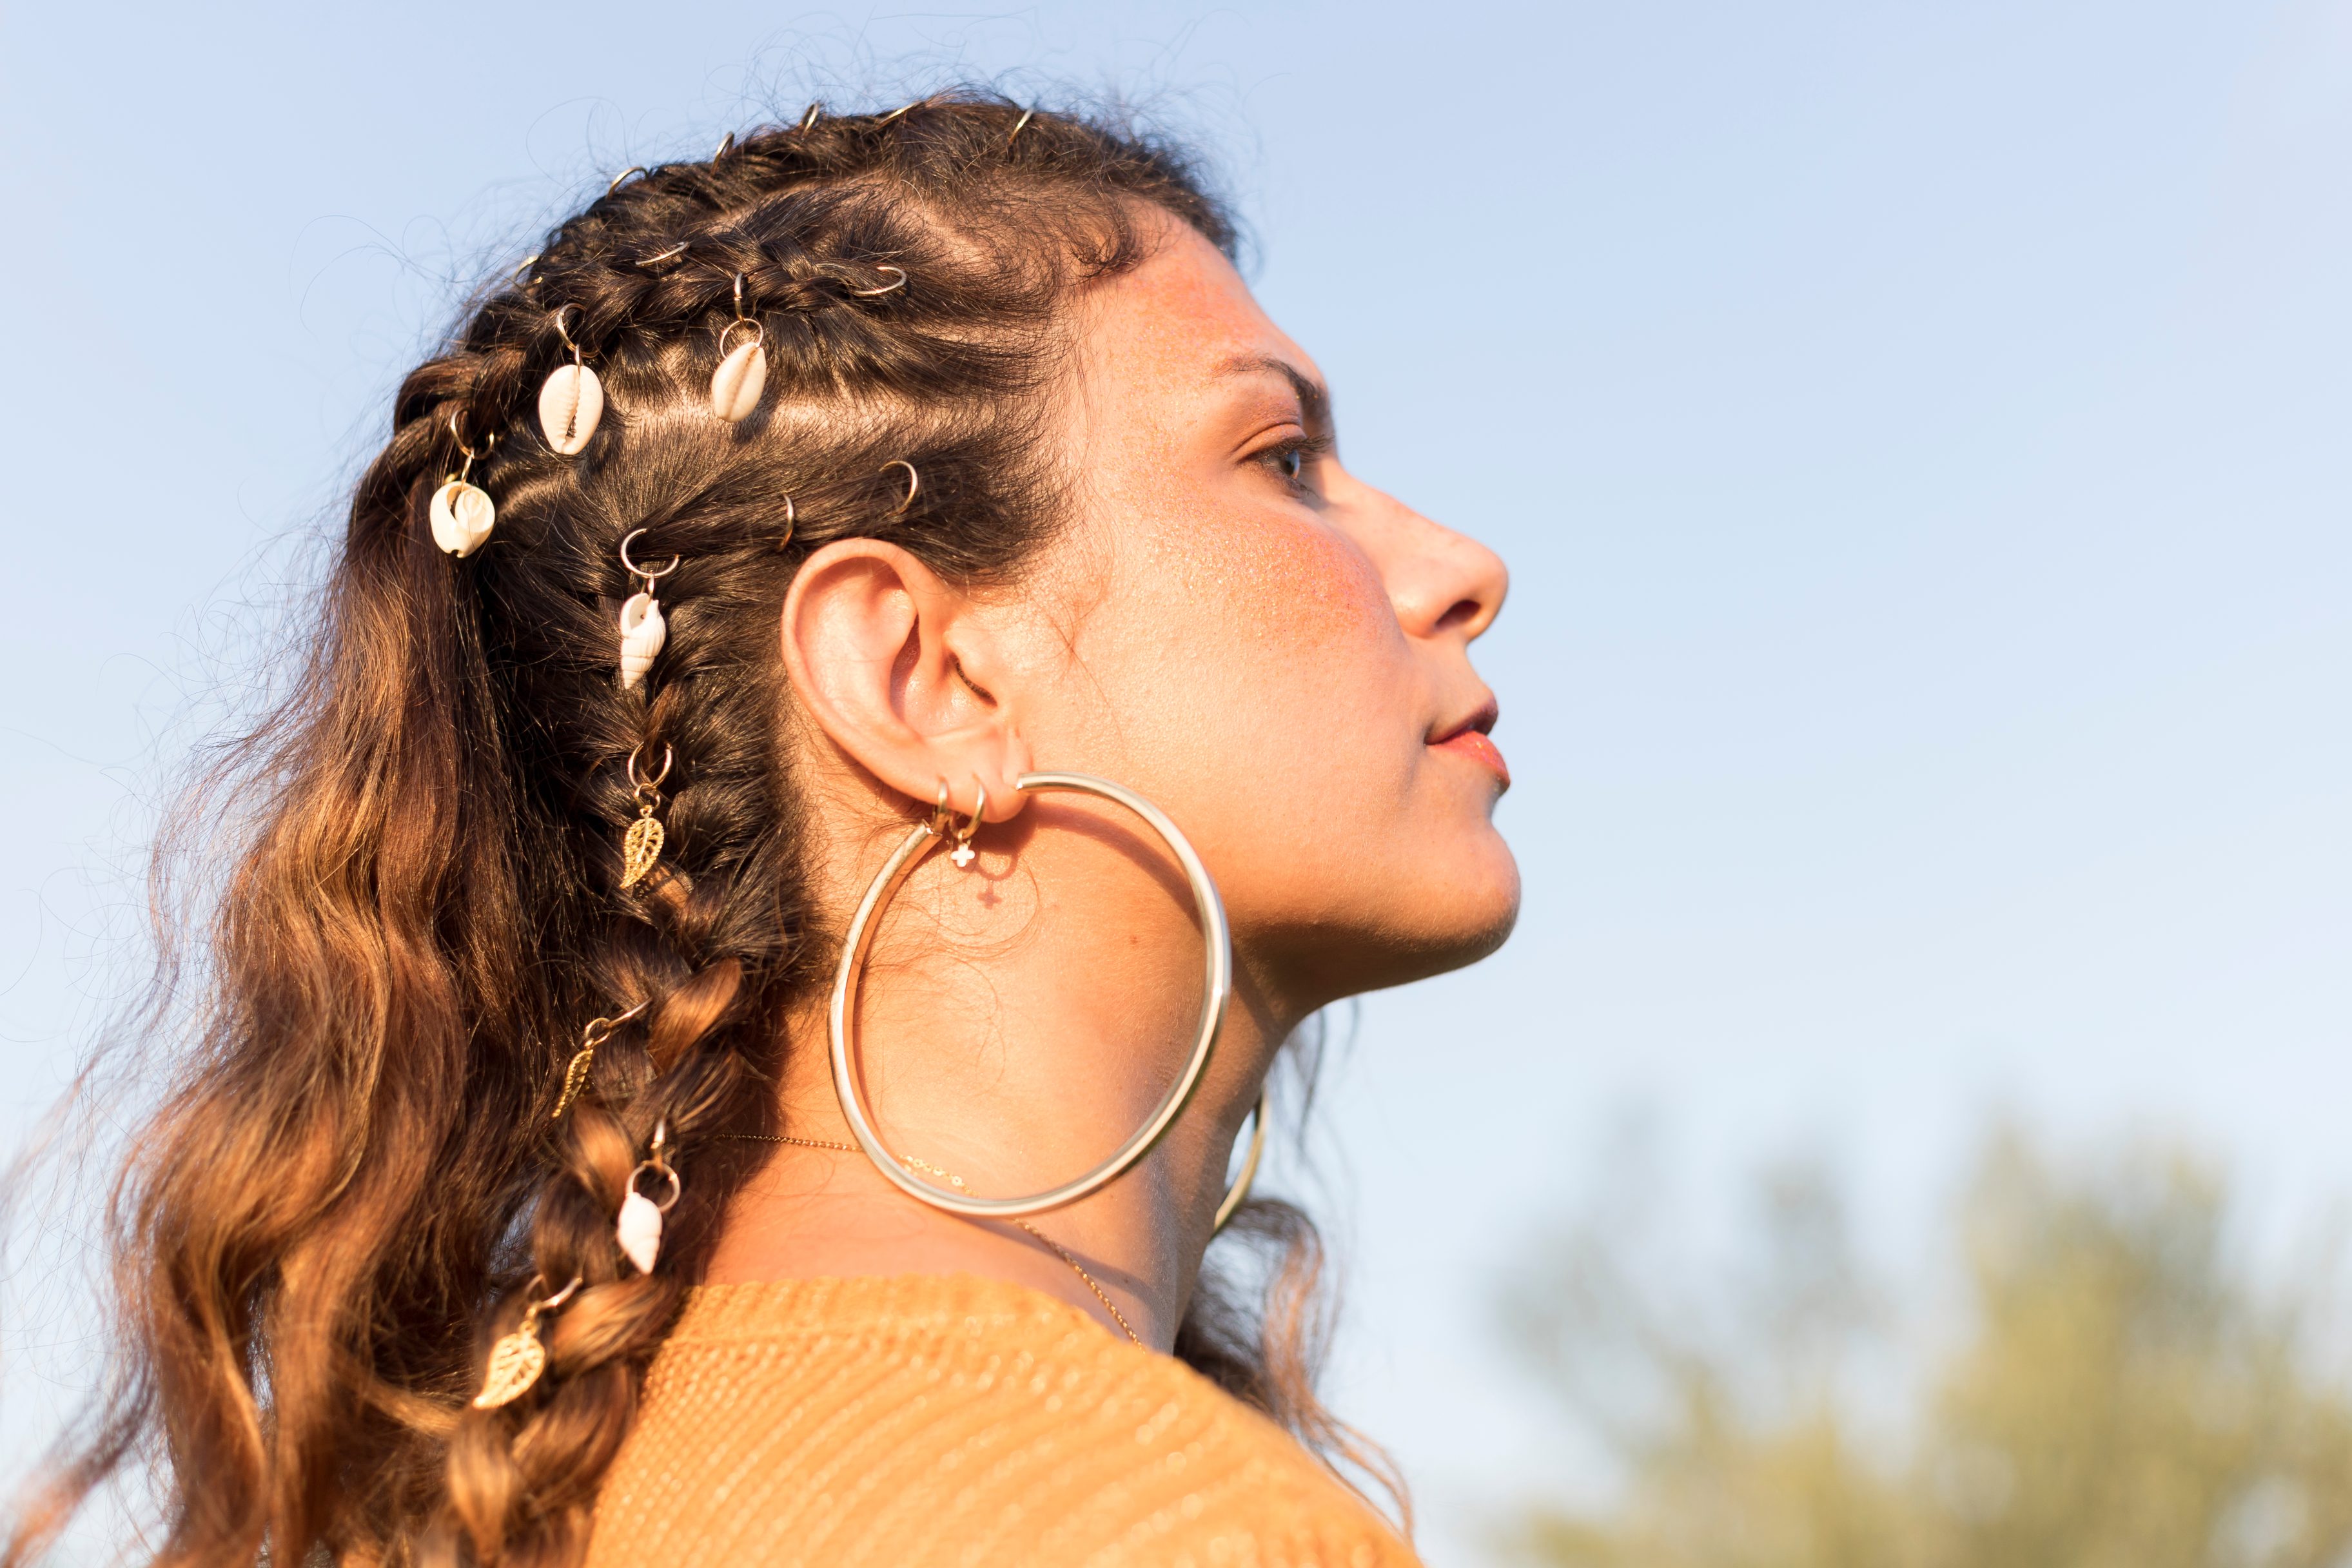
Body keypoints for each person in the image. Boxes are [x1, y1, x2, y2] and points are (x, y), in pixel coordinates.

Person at [7, 94, 1514, 1568]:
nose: (1461, 567)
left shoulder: (497, 1493)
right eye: (1281, 461)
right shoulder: (1188, 1532)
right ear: (924, 681)